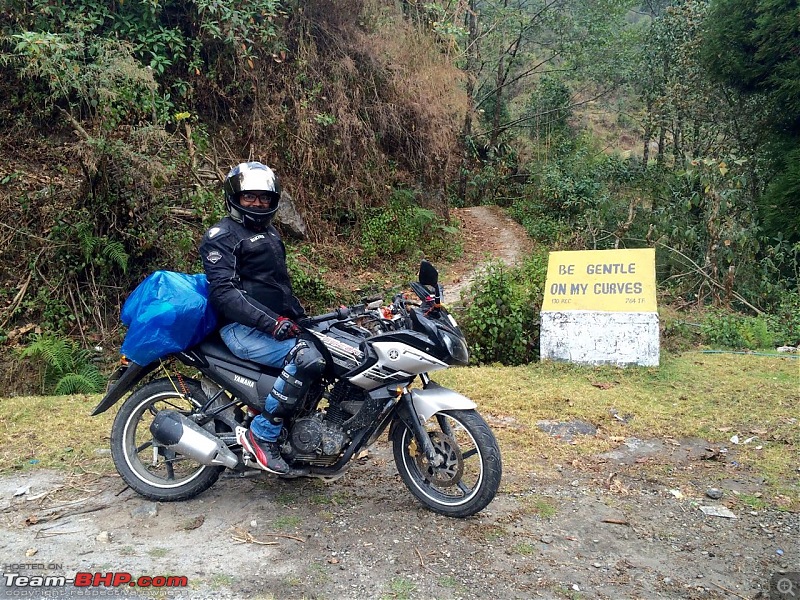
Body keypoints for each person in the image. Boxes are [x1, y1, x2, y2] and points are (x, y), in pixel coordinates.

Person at [200, 161, 326, 474]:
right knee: (306, 357)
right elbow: (225, 294)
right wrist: (273, 323)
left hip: (272, 325)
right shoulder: (221, 236)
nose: (258, 203)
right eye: (250, 197)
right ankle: (264, 435)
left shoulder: (269, 233)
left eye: (264, 198)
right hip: (240, 330)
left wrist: (305, 321)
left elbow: (277, 288)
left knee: (328, 348)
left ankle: (294, 434)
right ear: (235, 197)